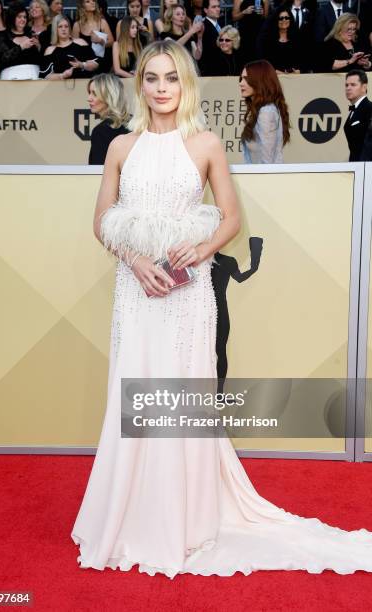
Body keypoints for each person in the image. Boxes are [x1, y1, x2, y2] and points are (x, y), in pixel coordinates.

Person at [71, 38, 372, 579]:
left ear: (186, 84)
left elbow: (229, 218)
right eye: (151, 78)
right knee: (135, 387)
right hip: (135, 289)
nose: (161, 89)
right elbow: (102, 222)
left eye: (172, 78)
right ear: (139, 84)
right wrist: (135, 260)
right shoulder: (121, 147)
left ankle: (183, 519)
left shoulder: (205, 143)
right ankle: (132, 511)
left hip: (187, 293)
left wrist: (201, 248)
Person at [239, 59, 290, 163]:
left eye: (246, 79)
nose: (240, 83)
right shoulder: (263, 110)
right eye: (241, 79)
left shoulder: (266, 112)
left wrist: (262, 179)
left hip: (265, 177)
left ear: (260, 81)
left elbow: (267, 159)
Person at [87, 73, 130, 165]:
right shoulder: (136, 123)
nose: (89, 98)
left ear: (109, 96)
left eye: (94, 94)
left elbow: (97, 172)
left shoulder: (101, 131)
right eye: (89, 93)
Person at [39, 14, 99, 79]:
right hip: (58, 87)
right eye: (60, 27)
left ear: (70, 28)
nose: (63, 29)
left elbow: (96, 64)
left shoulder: (81, 43)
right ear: (55, 29)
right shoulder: (49, 50)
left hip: (82, 84)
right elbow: (45, 76)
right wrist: (62, 75)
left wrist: (82, 65)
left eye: (66, 26)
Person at [0, 1, 41, 79]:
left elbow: (40, 58)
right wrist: (21, 47)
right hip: (11, 76)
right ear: (12, 18)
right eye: (19, 17)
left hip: (33, 75)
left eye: (24, 17)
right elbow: (3, 58)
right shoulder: (4, 36)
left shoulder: (31, 33)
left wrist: (39, 47)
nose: (23, 19)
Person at [72, 0, 114, 73]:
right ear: (82, 6)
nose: (92, 2)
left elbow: (112, 42)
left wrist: (100, 40)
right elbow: (74, 47)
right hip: (84, 62)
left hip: (101, 62)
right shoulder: (77, 25)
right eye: (88, 1)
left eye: (93, 0)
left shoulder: (102, 22)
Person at [257, 6, 301, 74]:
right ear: (276, 20)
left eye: (287, 18)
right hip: (274, 77)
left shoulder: (297, 38)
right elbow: (264, 61)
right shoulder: (267, 40)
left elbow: (301, 59)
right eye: (281, 18)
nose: (284, 20)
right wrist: (276, 72)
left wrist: (298, 70)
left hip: (294, 77)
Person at [343, 69, 372, 160]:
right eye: (346, 85)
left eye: (353, 85)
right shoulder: (353, 110)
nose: (348, 88)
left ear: (364, 87)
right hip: (356, 167)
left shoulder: (370, 108)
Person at [231, 0, 269, 65]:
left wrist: (262, 13)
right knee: (245, 59)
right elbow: (234, 17)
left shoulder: (265, 0)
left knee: (259, 58)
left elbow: (266, 17)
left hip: (259, 33)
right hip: (245, 34)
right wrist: (244, 12)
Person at [199, 0, 222, 75]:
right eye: (214, 7)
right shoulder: (203, 26)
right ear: (206, 10)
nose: (217, 9)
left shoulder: (218, 25)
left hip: (218, 69)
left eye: (218, 6)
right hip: (209, 71)